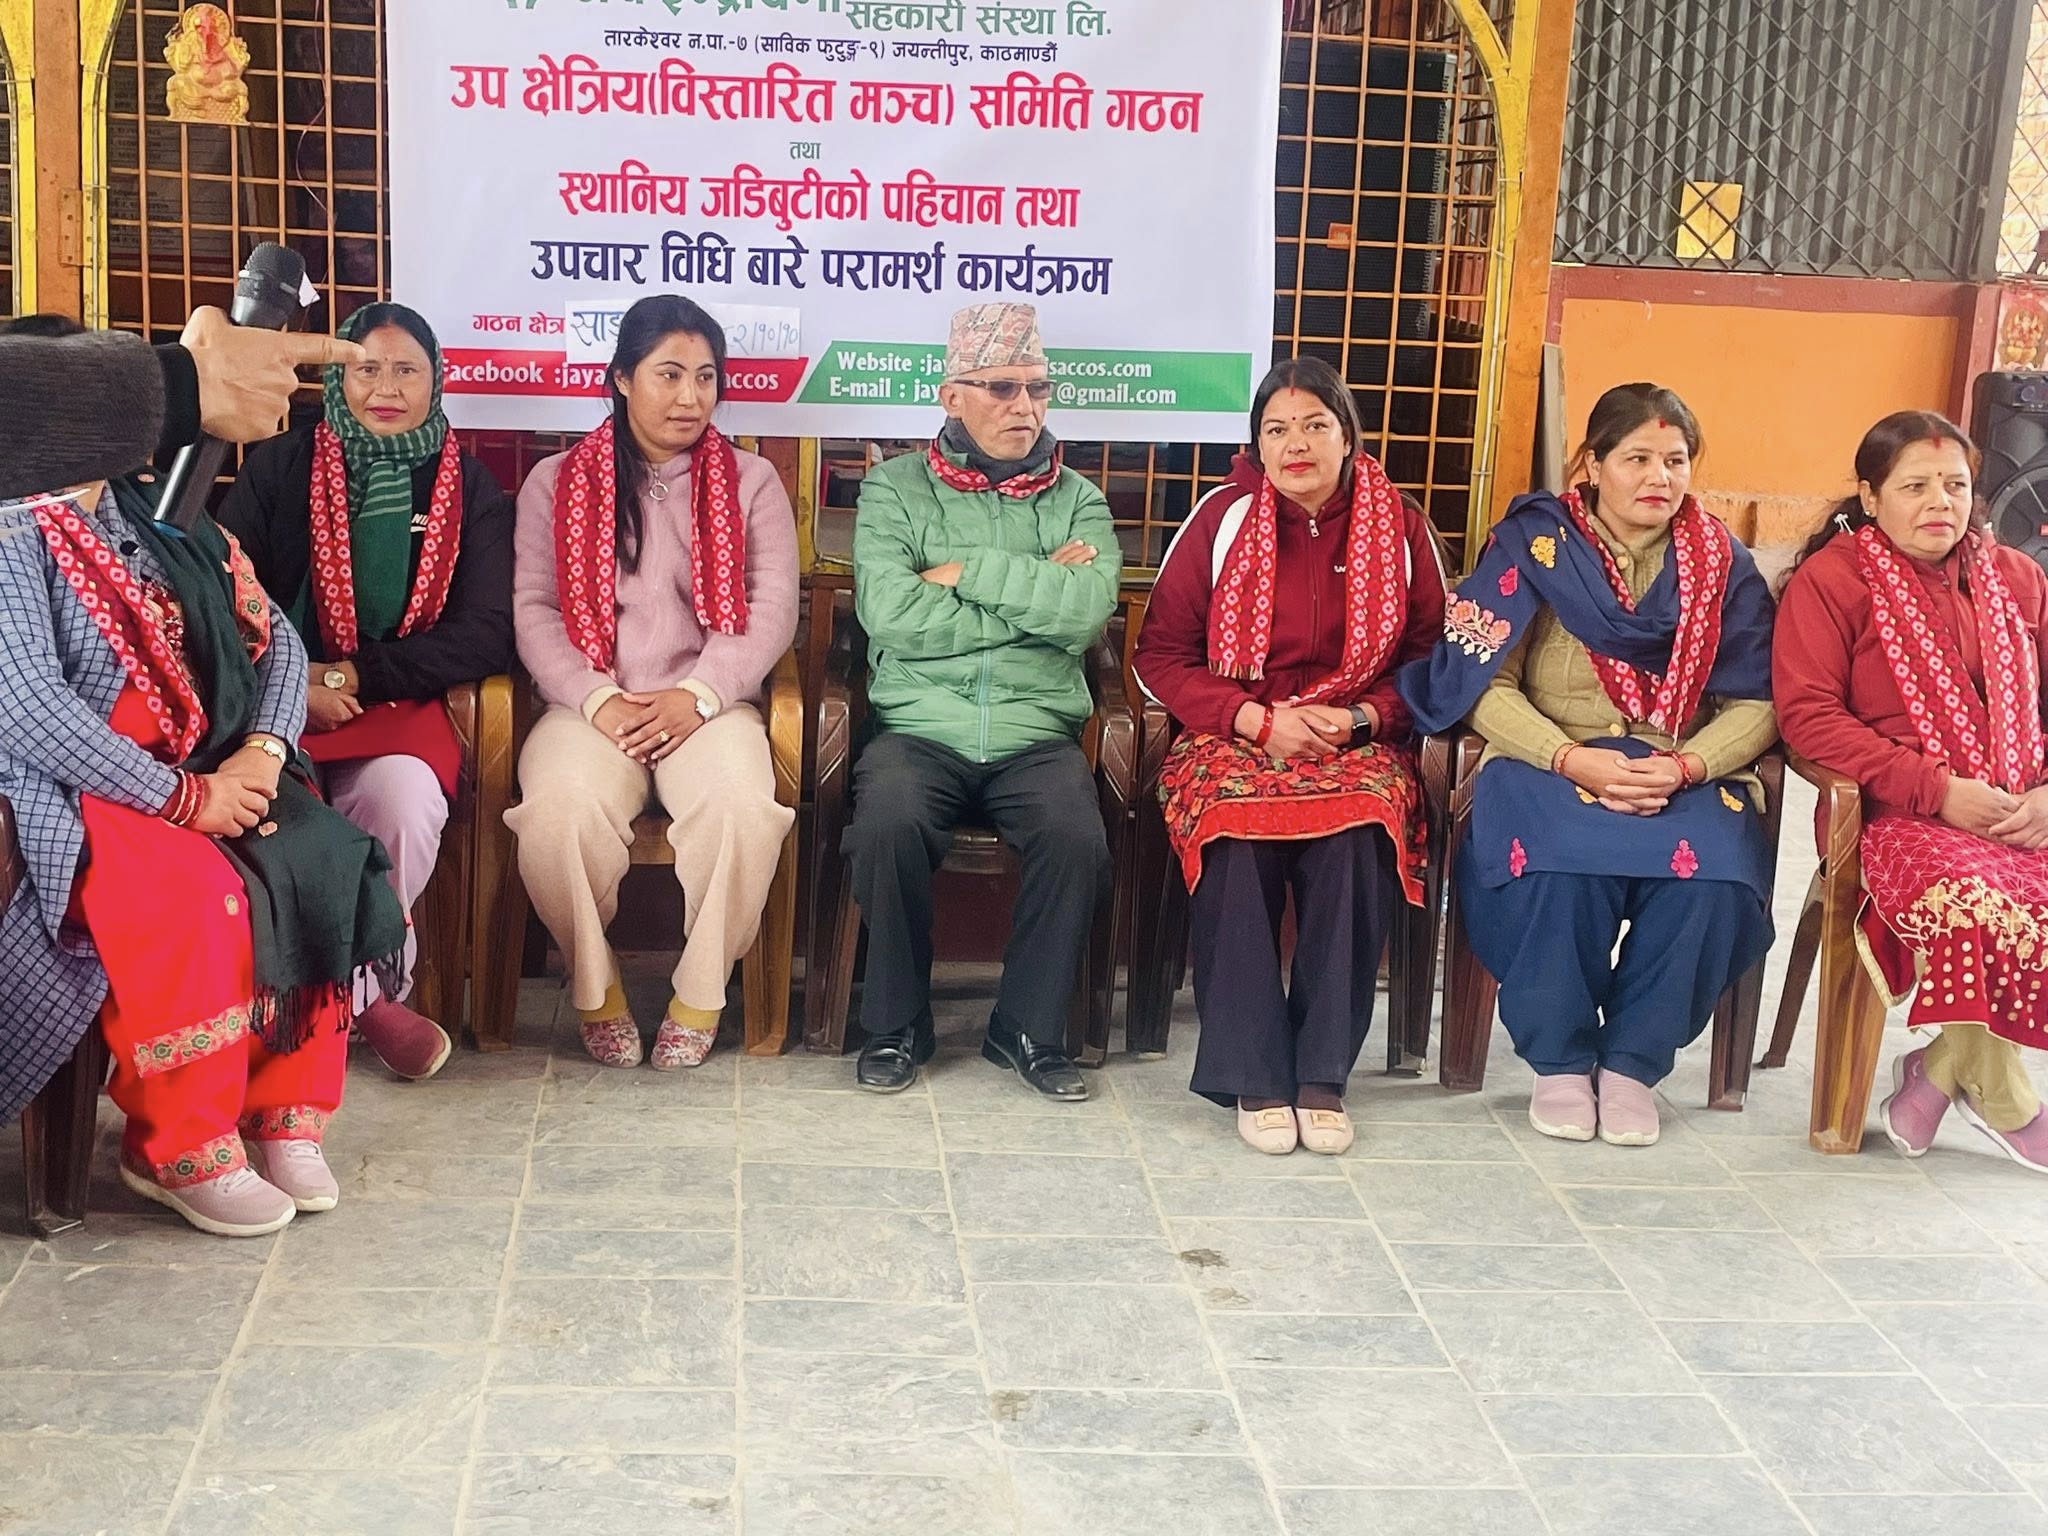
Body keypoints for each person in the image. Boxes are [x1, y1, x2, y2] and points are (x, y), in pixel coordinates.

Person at [0, 472, 405, 1236]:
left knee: (317, 858)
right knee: (199, 898)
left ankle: (285, 1112)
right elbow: (24, 704)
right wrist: (183, 798)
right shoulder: (10, 524)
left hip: (211, 760)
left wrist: (264, 749)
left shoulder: (160, 504)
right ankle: (178, 1145)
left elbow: (278, 642)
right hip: (78, 782)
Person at [1399, 382, 1778, 1146]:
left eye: (1675, 460)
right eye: (1637, 458)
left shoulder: (1722, 563)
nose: (1659, 477)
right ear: (1593, 464)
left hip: (1678, 767)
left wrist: (1689, 766)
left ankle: (1633, 1064)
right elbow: (1483, 683)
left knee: (1716, 879)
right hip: (1549, 763)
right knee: (1555, 868)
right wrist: (1569, 757)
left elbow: (1761, 698)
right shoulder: (1535, 546)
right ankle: (1562, 1061)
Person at [1132, 359, 1446, 1154]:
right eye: (1277, 429)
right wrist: (1251, 718)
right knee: (1234, 829)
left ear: (1348, 437)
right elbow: (1159, 656)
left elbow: (1432, 661)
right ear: (1257, 445)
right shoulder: (1220, 518)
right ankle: (1255, 1073)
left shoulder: (1401, 526)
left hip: (1355, 738)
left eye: (1315, 426)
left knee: (1358, 832)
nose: (1296, 444)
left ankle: (1321, 1074)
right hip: (1235, 731)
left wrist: (1366, 717)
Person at [217, 302, 515, 1079]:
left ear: (435, 381)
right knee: (278, 814)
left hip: (396, 706)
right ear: (336, 380)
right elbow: (224, 594)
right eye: (366, 369)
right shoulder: (280, 468)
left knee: (404, 801)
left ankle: (349, 998)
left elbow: (488, 632)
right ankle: (351, 1004)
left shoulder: (468, 485)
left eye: (406, 370)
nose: (386, 388)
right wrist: (299, 683)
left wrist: (357, 675)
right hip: (273, 704)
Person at [506, 295, 797, 1070]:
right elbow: (535, 610)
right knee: (556, 814)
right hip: (589, 704)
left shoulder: (753, 481)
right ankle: (595, 987)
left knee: (742, 809)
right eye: (669, 374)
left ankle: (700, 994)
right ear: (622, 378)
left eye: (706, 377)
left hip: (711, 705)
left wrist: (698, 696)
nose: (691, 397)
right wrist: (597, 698)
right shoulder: (554, 482)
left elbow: (771, 610)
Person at [844, 302, 1120, 1100]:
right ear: (952, 395)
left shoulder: (1078, 500)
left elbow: (1083, 615)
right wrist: (1035, 590)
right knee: (887, 824)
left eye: (1037, 387)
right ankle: (897, 1025)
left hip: (1035, 732)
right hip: (921, 725)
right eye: (1001, 387)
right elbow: (892, 615)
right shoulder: (894, 490)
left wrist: (965, 573)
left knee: (1076, 836)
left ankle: (1027, 1029)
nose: (1024, 406)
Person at [1775, 411, 2048, 1173]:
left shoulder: (2019, 579)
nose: (1939, 503)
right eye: (1915, 486)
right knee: (1970, 901)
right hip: (1895, 813)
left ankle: (1937, 1071)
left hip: (2021, 806)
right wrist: (1936, 789)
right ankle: (2008, 1100)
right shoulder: (1834, 580)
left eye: (1955, 486)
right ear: (1870, 496)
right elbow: (1808, 718)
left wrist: (2047, 796)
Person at [0, 306, 366, 498]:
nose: (386, 389)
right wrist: (188, 382)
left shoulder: (141, 496)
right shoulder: (284, 459)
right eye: (369, 369)